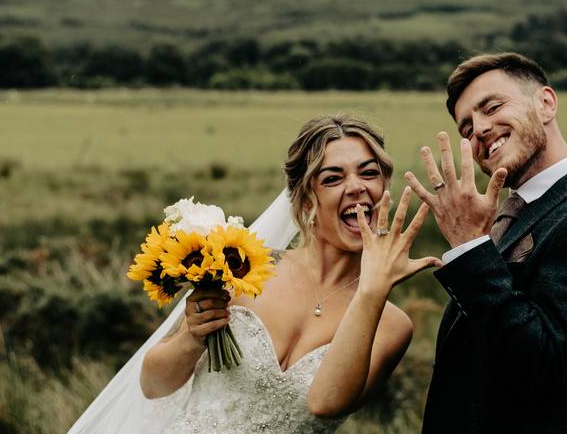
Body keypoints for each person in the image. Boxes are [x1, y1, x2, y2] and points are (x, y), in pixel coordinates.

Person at [68, 114, 439, 434]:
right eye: (332, 178)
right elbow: (153, 384)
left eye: (369, 173)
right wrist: (192, 338)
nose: (356, 187)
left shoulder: (392, 325)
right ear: (306, 198)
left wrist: (372, 291)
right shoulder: (243, 267)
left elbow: (325, 403)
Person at [403, 52, 567, 433]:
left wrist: (469, 246)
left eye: (492, 107)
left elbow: (542, 364)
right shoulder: (513, 214)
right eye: (466, 128)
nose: (479, 130)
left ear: (546, 103)